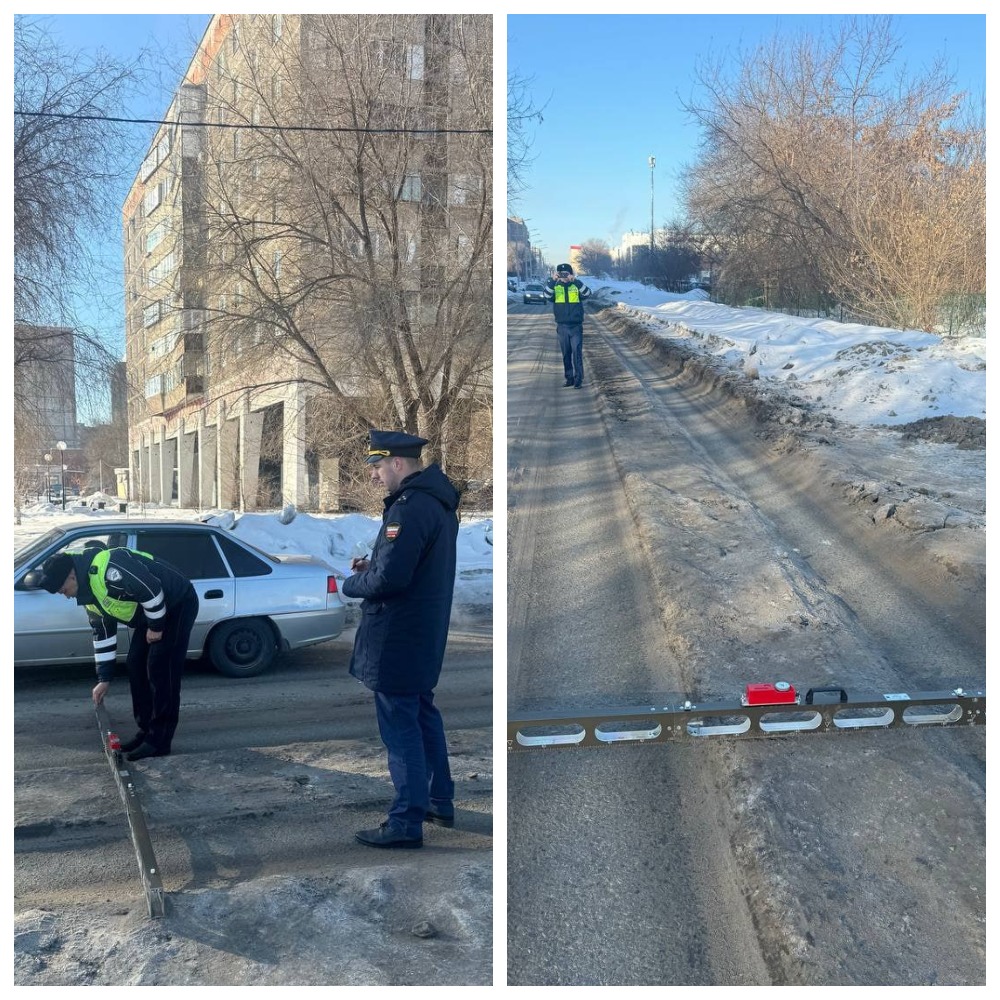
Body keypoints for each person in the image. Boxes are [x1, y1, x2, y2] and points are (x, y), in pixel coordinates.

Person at [342, 429, 460, 849]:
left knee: (401, 730)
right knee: (423, 715)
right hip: (422, 634)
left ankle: (406, 821)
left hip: (397, 638)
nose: (374, 476)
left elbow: (391, 579)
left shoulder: (408, 509)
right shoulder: (438, 504)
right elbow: (412, 565)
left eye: (376, 467)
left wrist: (354, 582)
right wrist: (375, 563)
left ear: (397, 463)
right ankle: (439, 799)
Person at [36, 545, 199, 761]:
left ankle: (159, 741)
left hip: (177, 602)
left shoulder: (109, 567)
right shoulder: (89, 595)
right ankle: (146, 732)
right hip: (151, 612)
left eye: (62, 590)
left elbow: (151, 589)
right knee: (135, 663)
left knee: (161, 667)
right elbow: (102, 633)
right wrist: (104, 678)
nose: (64, 596)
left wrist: (157, 627)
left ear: (72, 575)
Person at [543, 262, 591, 388]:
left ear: (571, 274)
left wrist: (576, 281)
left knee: (577, 353)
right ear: (558, 274)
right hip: (562, 326)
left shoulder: (576, 285)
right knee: (566, 354)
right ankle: (569, 378)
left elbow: (587, 293)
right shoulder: (556, 286)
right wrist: (552, 281)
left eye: (567, 273)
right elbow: (546, 296)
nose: (564, 276)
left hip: (575, 326)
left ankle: (578, 380)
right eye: (561, 273)